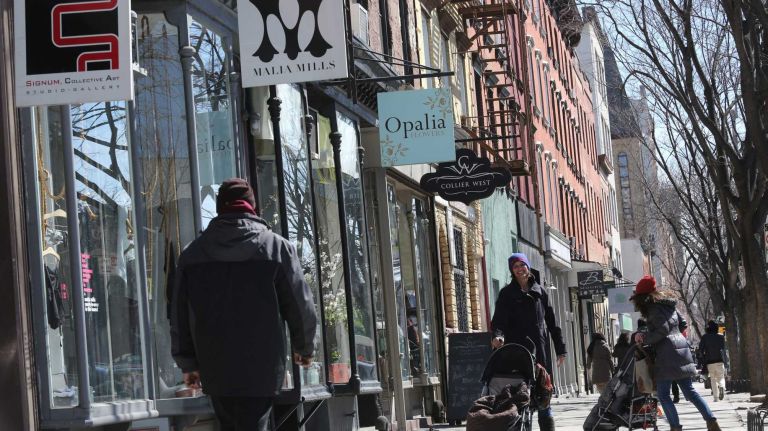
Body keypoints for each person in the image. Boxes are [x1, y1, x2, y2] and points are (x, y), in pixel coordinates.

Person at [170, 178, 317, 431]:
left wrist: (188, 364)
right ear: (252, 207)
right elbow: (299, 303)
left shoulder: (193, 254)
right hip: (263, 366)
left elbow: (180, 315)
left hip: (216, 367)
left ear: (219, 208)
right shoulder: (276, 248)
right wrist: (304, 347)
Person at [630, 275, 720, 431]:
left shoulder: (653, 308)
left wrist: (644, 337)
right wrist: (677, 336)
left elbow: (663, 330)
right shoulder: (668, 305)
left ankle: (675, 428)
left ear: (643, 297)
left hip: (666, 355)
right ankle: (712, 422)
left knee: (664, 395)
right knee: (690, 392)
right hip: (681, 350)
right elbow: (682, 323)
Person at [491, 253, 566, 431]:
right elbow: (498, 321)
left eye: (522, 265)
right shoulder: (506, 294)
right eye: (515, 266)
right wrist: (498, 336)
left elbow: (552, 324)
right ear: (512, 270)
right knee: (521, 400)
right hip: (516, 353)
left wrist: (560, 349)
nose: (519, 269)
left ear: (528, 267)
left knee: (543, 398)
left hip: (539, 352)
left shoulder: (540, 292)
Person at [700, 320, 727, 402]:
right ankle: (722, 386)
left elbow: (701, 349)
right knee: (721, 377)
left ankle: (716, 397)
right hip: (720, 360)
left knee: (713, 379)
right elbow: (724, 348)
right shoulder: (721, 336)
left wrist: (703, 357)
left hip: (709, 361)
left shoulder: (705, 337)